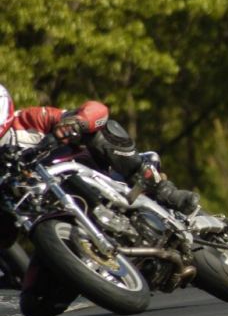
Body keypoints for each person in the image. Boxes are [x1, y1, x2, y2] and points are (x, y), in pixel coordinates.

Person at [0, 83, 199, 251]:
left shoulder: (28, 120)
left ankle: (164, 191)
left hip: (93, 173)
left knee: (100, 131)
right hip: (55, 218)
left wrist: (77, 123)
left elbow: (97, 110)